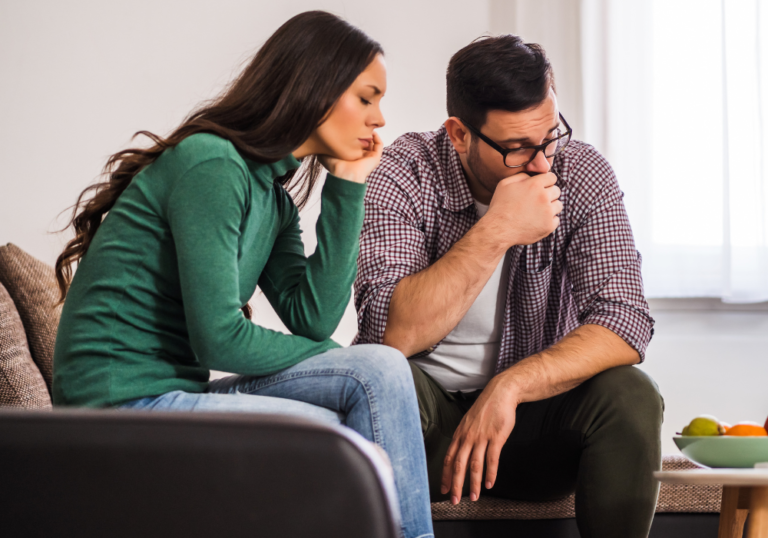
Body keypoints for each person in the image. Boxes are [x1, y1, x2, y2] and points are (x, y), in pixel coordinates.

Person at [52, 11, 433, 538]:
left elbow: (314, 318)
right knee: (370, 385)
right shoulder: (212, 164)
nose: (380, 120)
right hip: (119, 407)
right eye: (367, 97)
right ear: (316, 87)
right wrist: (339, 359)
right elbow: (217, 337)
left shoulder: (273, 200)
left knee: (359, 401)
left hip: (175, 394)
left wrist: (347, 188)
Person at [354, 34, 663, 538]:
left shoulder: (580, 170)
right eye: (517, 149)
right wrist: (497, 229)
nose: (542, 163)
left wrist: (510, 386)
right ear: (459, 135)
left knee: (630, 394)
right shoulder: (405, 171)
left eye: (549, 135)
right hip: (423, 433)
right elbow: (392, 335)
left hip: (528, 425)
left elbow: (625, 321)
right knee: (383, 377)